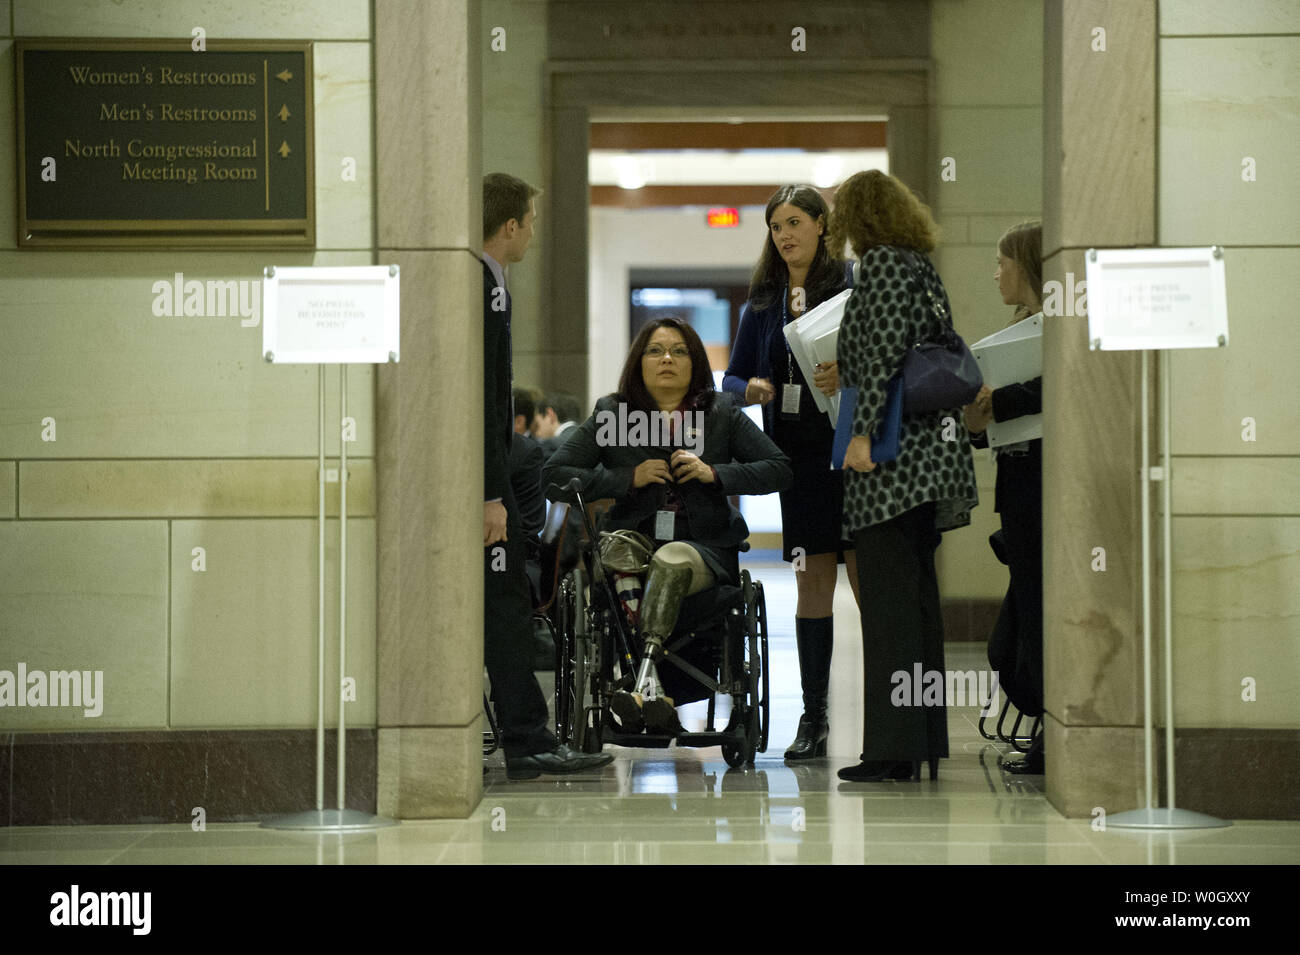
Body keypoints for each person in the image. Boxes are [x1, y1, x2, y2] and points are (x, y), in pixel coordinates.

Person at [543, 317, 792, 735]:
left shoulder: (722, 413)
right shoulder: (612, 413)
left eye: (679, 351)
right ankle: (654, 692)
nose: (667, 359)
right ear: (639, 362)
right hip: (629, 545)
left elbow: (779, 469)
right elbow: (553, 475)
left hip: (700, 548)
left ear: (694, 363)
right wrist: (626, 478)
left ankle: (642, 681)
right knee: (618, 555)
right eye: (655, 350)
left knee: (670, 558)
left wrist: (715, 474)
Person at [831, 170, 979, 782]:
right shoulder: (919, 264)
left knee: (891, 606)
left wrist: (862, 433)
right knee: (917, 605)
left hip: (896, 461)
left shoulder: (885, 266)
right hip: (929, 460)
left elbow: (887, 352)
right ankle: (919, 741)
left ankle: (892, 750)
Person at [480, 171, 613, 780]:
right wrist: (489, 493)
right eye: (530, 222)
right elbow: (484, 401)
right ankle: (527, 742)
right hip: (486, 479)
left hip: (490, 472)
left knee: (503, 607)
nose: (532, 233)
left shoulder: (493, 282)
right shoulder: (483, 285)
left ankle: (527, 739)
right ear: (510, 225)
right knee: (505, 608)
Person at [723, 184, 861, 761]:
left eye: (796, 222)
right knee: (812, 583)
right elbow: (728, 381)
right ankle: (815, 716)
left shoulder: (852, 285)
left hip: (853, 450)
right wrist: (751, 387)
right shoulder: (763, 302)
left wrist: (846, 371)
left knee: (869, 580)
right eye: (776, 225)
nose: (785, 234)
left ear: (822, 226)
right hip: (797, 460)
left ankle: (885, 716)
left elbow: (885, 359)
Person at [964, 221, 1045, 775]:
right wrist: (977, 416)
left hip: (1044, 489)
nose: (996, 272)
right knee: (1014, 636)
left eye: (1002, 262)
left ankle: (1051, 737)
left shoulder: (1059, 333)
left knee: (1034, 624)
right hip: (1017, 489)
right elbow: (982, 427)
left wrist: (999, 400)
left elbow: (1056, 389)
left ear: (1027, 265)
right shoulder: (1020, 332)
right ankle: (1046, 730)